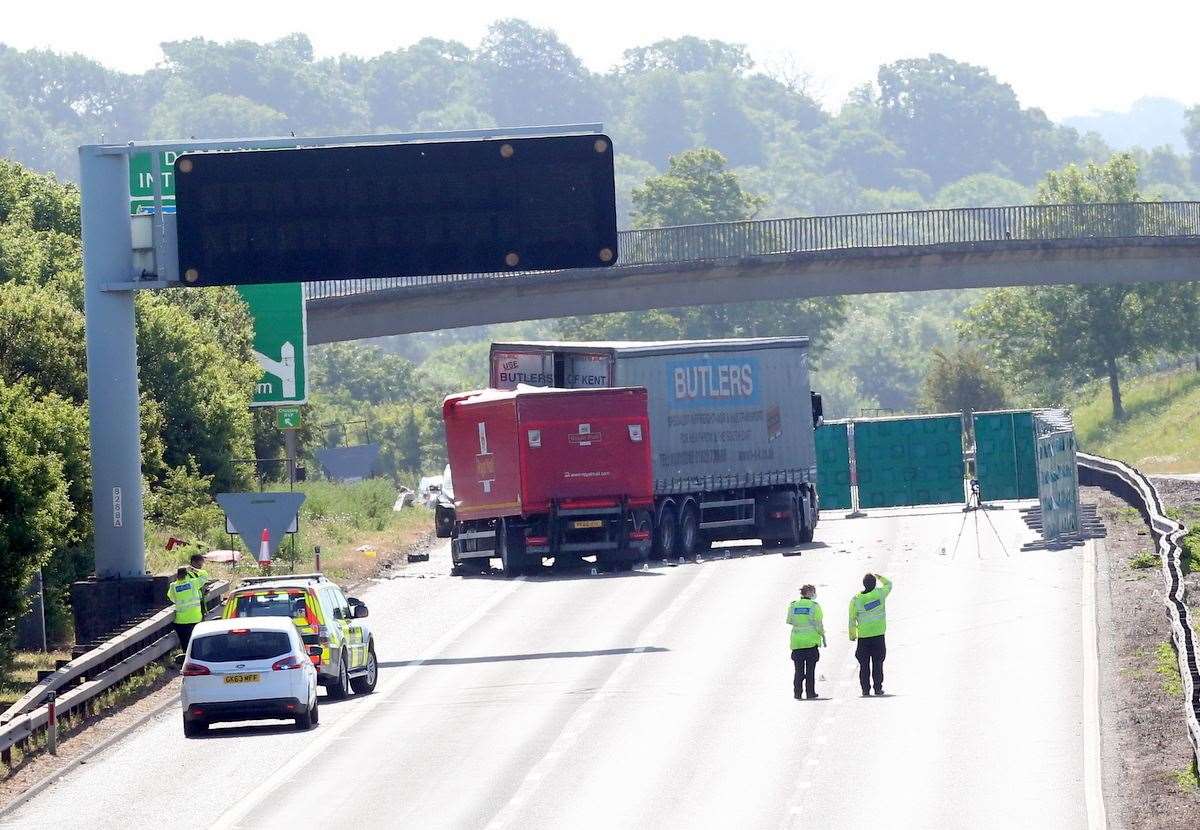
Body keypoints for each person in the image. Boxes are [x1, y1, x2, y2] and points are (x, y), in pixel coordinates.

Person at [849, 573, 892, 696]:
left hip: (863, 637)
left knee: (864, 664)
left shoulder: (856, 599)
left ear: (863, 584)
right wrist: (879, 577)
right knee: (878, 663)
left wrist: (852, 635)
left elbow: (851, 619)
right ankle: (878, 688)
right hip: (878, 635)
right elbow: (889, 584)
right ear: (874, 584)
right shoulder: (880, 594)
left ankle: (865, 689)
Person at [787, 584, 825, 699]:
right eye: (813, 592)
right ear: (809, 593)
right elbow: (819, 623)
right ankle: (810, 692)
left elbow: (789, 620)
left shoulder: (793, 606)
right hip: (810, 643)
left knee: (798, 670)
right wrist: (822, 635)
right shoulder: (814, 606)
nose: (814, 594)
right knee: (810, 670)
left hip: (797, 643)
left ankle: (797, 693)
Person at [167, 566, 204, 653]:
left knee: (185, 644)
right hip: (195, 619)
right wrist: (194, 569)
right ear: (187, 575)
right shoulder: (193, 583)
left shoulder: (173, 586)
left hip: (181, 621)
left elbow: (171, 598)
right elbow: (204, 576)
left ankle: (186, 659)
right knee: (197, 643)